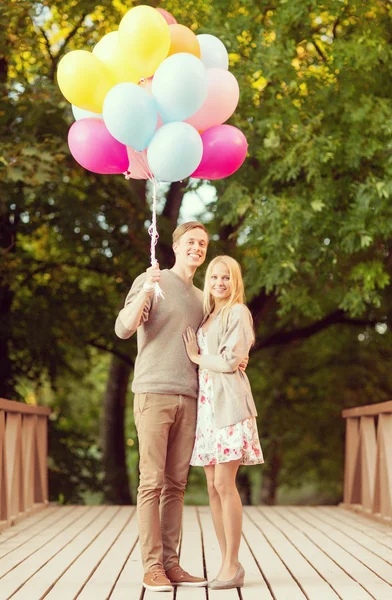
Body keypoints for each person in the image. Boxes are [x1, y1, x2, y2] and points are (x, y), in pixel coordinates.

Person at [114, 221, 209, 592]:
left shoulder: (202, 297)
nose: (196, 248)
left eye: (202, 243)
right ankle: (151, 566)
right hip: (153, 393)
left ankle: (171, 564)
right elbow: (123, 328)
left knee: (176, 485)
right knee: (151, 482)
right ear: (175, 245)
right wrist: (145, 291)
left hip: (190, 396)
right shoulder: (152, 279)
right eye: (190, 242)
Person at [183, 255, 264, 591]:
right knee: (213, 486)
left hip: (228, 404)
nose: (219, 283)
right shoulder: (209, 313)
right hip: (206, 407)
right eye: (214, 277)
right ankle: (226, 561)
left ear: (235, 281)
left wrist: (199, 358)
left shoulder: (238, 312)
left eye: (226, 278)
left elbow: (231, 361)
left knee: (225, 484)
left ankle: (232, 564)